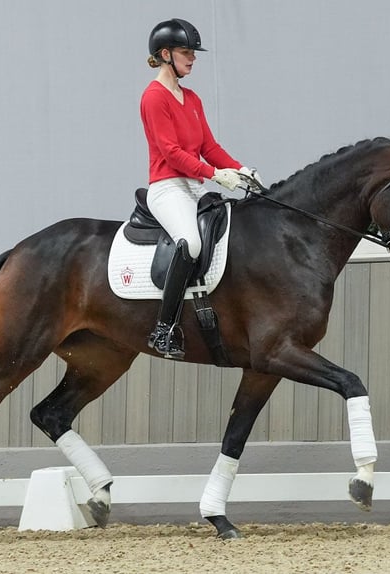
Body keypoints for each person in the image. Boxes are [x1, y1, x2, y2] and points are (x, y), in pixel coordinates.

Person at [141, 18, 259, 360]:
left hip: (193, 186)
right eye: (185, 52)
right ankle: (164, 329)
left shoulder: (191, 97)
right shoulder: (153, 98)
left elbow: (208, 145)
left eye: (193, 53)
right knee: (190, 242)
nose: (192, 59)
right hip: (167, 187)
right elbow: (172, 154)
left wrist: (239, 169)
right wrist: (215, 175)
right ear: (165, 54)